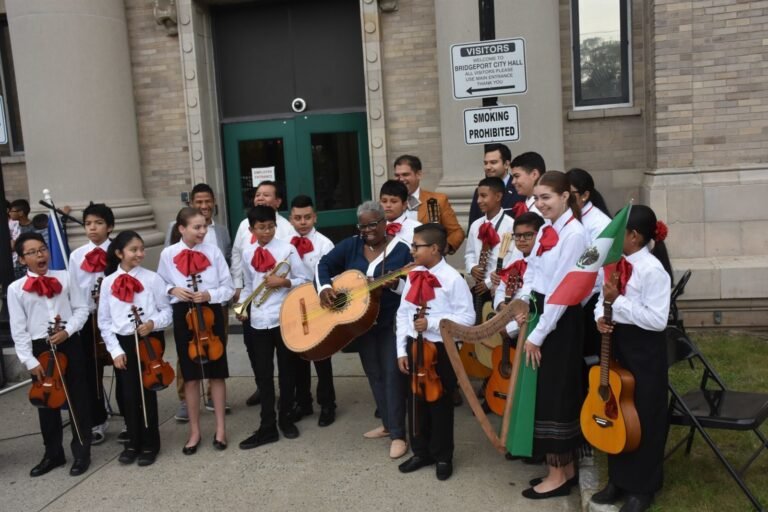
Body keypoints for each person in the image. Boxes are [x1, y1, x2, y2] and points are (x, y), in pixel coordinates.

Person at [316, 200, 413, 459]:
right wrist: (325, 288)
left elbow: (413, 289)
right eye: (362, 226)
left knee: (393, 375)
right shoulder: (352, 245)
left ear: (384, 223)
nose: (367, 230)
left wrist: (394, 286)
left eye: (372, 224)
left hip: (390, 322)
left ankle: (398, 435)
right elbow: (322, 265)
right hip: (360, 323)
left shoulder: (402, 250)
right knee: (374, 373)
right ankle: (387, 424)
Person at [591, 205, 672, 512]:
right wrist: (602, 315)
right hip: (618, 344)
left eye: (619, 232)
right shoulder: (616, 264)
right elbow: (601, 300)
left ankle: (643, 486)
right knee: (615, 411)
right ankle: (618, 479)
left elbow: (656, 320)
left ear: (635, 236)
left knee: (644, 415)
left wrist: (618, 302)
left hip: (645, 351)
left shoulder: (652, 271)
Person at [512, 170, 587, 500]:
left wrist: (537, 335)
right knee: (548, 390)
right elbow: (534, 273)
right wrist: (524, 306)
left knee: (555, 394)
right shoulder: (547, 230)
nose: (540, 204)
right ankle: (565, 469)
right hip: (542, 310)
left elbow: (563, 290)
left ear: (565, 197)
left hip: (560, 319)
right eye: (537, 198)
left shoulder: (574, 235)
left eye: (547, 198)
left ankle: (557, 474)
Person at [8, 232, 92, 477]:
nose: (39, 255)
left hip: (68, 343)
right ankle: (53, 454)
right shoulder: (16, 289)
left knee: (78, 398)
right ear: (22, 260)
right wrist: (28, 360)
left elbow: (81, 308)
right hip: (40, 348)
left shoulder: (66, 277)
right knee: (47, 402)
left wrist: (67, 331)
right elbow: (18, 328)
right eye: (32, 252)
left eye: (42, 249)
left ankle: (82, 451)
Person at [395, 224, 475, 481]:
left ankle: (442, 456)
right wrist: (400, 351)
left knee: (440, 402)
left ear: (434, 248)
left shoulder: (453, 278)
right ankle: (421, 452)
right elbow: (403, 314)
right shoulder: (413, 275)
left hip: (440, 348)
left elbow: (467, 317)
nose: (412, 250)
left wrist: (431, 323)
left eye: (416, 246)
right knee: (415, 400)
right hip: (414, 346)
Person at [157, 207, 234, 454]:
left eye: (204, 226)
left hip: (209, 313)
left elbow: (229, 287)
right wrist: (172, 290)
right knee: (190, 375)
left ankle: (220, 429)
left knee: (216, 373)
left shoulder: (213, 252)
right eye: (197, 227)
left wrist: (209, 294)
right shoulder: (169, 254)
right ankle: (194, 431)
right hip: (184, 315)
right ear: (181, 228)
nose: (202, 231)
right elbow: (160, 284)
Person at [237, 206, 312, 449]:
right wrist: (243, 306)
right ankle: (267, 426)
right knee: (264, 374)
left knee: (288, 371)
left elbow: (305, 280)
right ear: (251, 229)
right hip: (258, 321)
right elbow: (248, 285)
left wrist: (284, 281)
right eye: (261, 227)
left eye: (270, 226)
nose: (267, 231)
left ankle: (286, 419)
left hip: (284, 318)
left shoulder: (287, 249)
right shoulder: (247, 252)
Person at [98, 231, 172, 467]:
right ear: (119, 253)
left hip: (149, 340)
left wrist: (152, 324)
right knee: (128, 394)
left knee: (147, 392)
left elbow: (166, 312)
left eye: (141, 249)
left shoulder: (152, 279)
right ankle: (133, 442)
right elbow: (104, 321)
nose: (140, 253)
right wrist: (116, 351)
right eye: (133, 250)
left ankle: (151, 443)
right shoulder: (108, 282)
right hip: (123, 343)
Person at [230, 180, 295, 407]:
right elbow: (239, 260)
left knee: (286, 364)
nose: (260, 198)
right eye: (258, 194)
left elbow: (299, 276)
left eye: (266, 194)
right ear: (252, 229)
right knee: (259, 359)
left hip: (281, 310)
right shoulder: (245, 234)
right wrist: (240, 297)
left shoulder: (286, 236)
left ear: (277, 202)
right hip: (257, 312)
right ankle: (264, 398)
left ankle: (288, 406)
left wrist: (283, 281)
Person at [287, 195, 337, 427]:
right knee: (298, 357)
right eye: (297, 218)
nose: (303, 222)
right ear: (291, 219)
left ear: (315, 217)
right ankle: (303, 402)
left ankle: (327, 404)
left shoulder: (325, 244)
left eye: (307, 217)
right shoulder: (284, 243)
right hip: (292, 305)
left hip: (317, 304)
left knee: (321, 356)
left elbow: (333, 275)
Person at [68, 203, 115, 445]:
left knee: (121, 366)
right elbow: (75, 291)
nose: (93, 228)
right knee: (90, 371)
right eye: (88, 223)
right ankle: (97, 420)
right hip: (88, 318)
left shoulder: (118, 250)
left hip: (115, 318)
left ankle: (130, 418)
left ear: (109, 226)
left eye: (98, 223)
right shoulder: (76, 256)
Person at [566, 168, 612, 389]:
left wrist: (577, 297)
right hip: (572, 295)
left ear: (585, 195)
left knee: (587, 353)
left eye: (570, 192)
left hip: (589, 298)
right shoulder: (568, 217)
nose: (564, 197)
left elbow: (597, 268)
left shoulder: (599, 223)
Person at [465, 177, 515, 324]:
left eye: (484, 196)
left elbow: (510, 261)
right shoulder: (476, 225)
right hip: (478, 287)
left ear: (498, 196)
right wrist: (472, 267)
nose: (479, 201)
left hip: (499, 288)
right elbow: (470, 253)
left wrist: (488, 283)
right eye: (478, 196)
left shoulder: (510, 225)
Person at [393, 155, 465, 254]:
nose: (400, 179)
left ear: (418, 174)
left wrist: (443, 248)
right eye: (397, 175)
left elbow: (456, 232)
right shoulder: (387, 203)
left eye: (405, 174)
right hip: (398, 263)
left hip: (429, 263)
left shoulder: (437, 200)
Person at [492, 212, 546, 337]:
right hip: (508, 321)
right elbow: (501, 288)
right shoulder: (516, 262)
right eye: (517, 235)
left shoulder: (542, 264)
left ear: (540, 236)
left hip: (530, 329)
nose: (521, 240)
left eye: (528, 235)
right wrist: (501, 305)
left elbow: (530, 304)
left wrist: (509, 329)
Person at [467, 143, 525, 228]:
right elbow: (473, 222)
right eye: (486, 163)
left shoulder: (518, 189)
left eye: (493, 162)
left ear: (506, 164)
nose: (488, 167)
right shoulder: (479, 190)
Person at [380, 179, 421, 244]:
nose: (388, 205)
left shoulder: (417, 228)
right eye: (384, 201)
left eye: (394, 201)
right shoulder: (375, 228)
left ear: (404, 205)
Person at [509, 152, 546, 217]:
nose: (513, 182)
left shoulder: (544, 209)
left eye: (517, 176)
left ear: (534, 174)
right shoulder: (525, 204)